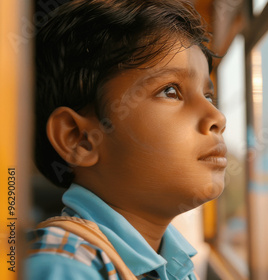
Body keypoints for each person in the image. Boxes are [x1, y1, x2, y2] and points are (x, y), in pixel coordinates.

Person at [27, 0, 226, 279]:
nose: (217, 116)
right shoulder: (64, 264)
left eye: (208, 97)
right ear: (80, 138)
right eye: (170, 91)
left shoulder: (174, 263)